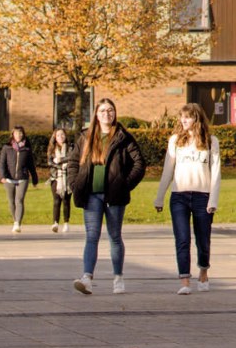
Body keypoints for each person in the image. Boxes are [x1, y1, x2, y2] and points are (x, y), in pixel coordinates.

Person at [69, 99, 145, 295]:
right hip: (91, 195)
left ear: (114, 113)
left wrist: (124, 184)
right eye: (103, 110)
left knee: (114, 237)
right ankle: (87, 278)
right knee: (91, 237)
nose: (106, 114)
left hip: (114, 196)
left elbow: (139, 164)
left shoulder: (123, 137)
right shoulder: (85, 137)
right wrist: (74, 184)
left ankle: (118, 277)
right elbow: (73, 163)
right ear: (96, 114)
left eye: (110, 110)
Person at [155, 103, 222, 295]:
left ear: (197, 119)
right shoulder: (175, 140)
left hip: (202, 196)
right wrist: (159, 198)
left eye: (188, 117)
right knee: (182, 238)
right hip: (179, 197)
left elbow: (215, 173)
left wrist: (213, 201)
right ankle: (184, 280)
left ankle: (203, 271)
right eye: (182, 117)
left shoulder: (211, 141)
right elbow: (168, 171)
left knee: (203, 239)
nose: (184, 121)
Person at [0, 126, 38, 233]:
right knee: (11, 202)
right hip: (9, 179)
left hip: (23, 178)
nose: (18, 135)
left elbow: (31, 165)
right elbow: (2, 163)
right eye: (16, 133)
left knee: (19, 200)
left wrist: (35, 179)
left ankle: (17, 223)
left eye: (20, 133)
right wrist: (2, 176)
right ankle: (15, 220)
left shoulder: (26, 149)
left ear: (23, 134)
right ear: (13, 135)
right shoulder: (6, 148)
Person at [47, 128, 73, 233]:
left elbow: (72, 158)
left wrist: (60, 160)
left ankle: (66, 222)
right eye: (58, 135)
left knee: (66, 200)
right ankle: (55, 223)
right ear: (55, 137)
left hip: (68, 177)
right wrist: (57, 165)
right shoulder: (52, 149)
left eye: (62, 135)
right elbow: (49, 162)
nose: (61, 137)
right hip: (56, 177)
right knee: (56, 201)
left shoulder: (71, 147)